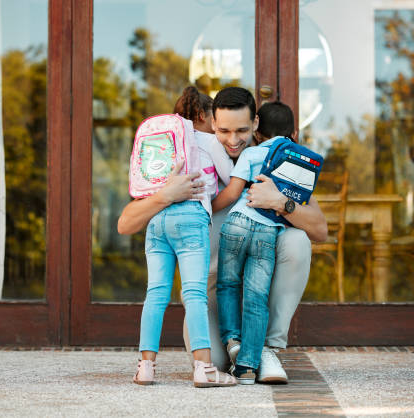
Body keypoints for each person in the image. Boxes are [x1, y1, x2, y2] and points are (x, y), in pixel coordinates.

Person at [118, 87, 327, 384]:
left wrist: (280, 201)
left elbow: (320, 230)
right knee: (214, 361)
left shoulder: (273, 165)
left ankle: (265, 347)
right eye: (224, 131)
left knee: (297, 241)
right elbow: (125, 224)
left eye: (242, 130)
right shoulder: (195, 163)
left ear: (255, 125)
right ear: (211, 124)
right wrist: (166, 196)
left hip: (259, 289)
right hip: (211, 296)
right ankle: (234, 349)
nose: (233, 140)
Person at [131, 87, 236, 388]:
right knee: (194, 294)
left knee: (156, 294)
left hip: (157, 217)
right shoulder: (206, 139)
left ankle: (145, 368)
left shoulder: (162, 143)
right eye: (213, 120)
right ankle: (204, 368)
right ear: (203, 116)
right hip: (190, 217)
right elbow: (229, 177)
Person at [211, 100, 300, 384]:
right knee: (256, 297)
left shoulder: (251, 153)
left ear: (258, 131)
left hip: (237, 224)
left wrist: (204, 206)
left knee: (227, 284)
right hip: (267, 232)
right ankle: (248, 368)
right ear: (294, 134)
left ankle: (233, 341)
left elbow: (231, 194)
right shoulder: (298, 162)